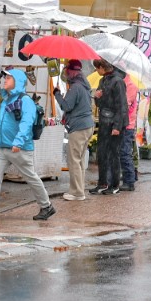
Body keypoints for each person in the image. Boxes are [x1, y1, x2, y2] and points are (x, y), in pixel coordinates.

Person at [0, 69, 56, 221]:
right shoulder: (6, 99)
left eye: (9, 78)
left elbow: (27, 122)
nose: (5, 80)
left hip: (19, 148)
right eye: (5, 78)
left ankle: (46, 206)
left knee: (31, 177)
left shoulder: (25, 101)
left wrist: (18, 141)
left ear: (17, 82)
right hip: (2, 147)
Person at [53, 59, 94, 201]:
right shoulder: (84, 85)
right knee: (80, 160)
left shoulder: (75, 87)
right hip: (87, 126)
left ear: (71, 71)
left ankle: (77, 192)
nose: (65, 72)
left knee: (74, 160)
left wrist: (57, 94)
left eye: (66, 70)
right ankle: (79, 190)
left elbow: (66, 106)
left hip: (79, 128)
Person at [91, 60, 128, 195]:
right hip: (104, 121)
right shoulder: (103, 81)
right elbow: (100, 103)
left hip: (114, 123)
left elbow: (122, 106)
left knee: (113, 154)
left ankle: (114, 184)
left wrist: (117, 126)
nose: (96, 71)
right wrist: (97, 97)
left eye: (97, 68)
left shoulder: (118, 82)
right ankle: (102, 183)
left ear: (102, 67)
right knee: (101, 153)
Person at [119, 72, 142, 191]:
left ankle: (129, 181)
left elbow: (125, 105)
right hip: (121, 122)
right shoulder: (122, 82)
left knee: (125, 152)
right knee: (122, 152)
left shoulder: (130, 85)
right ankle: (127, 177)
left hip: (127, 124)